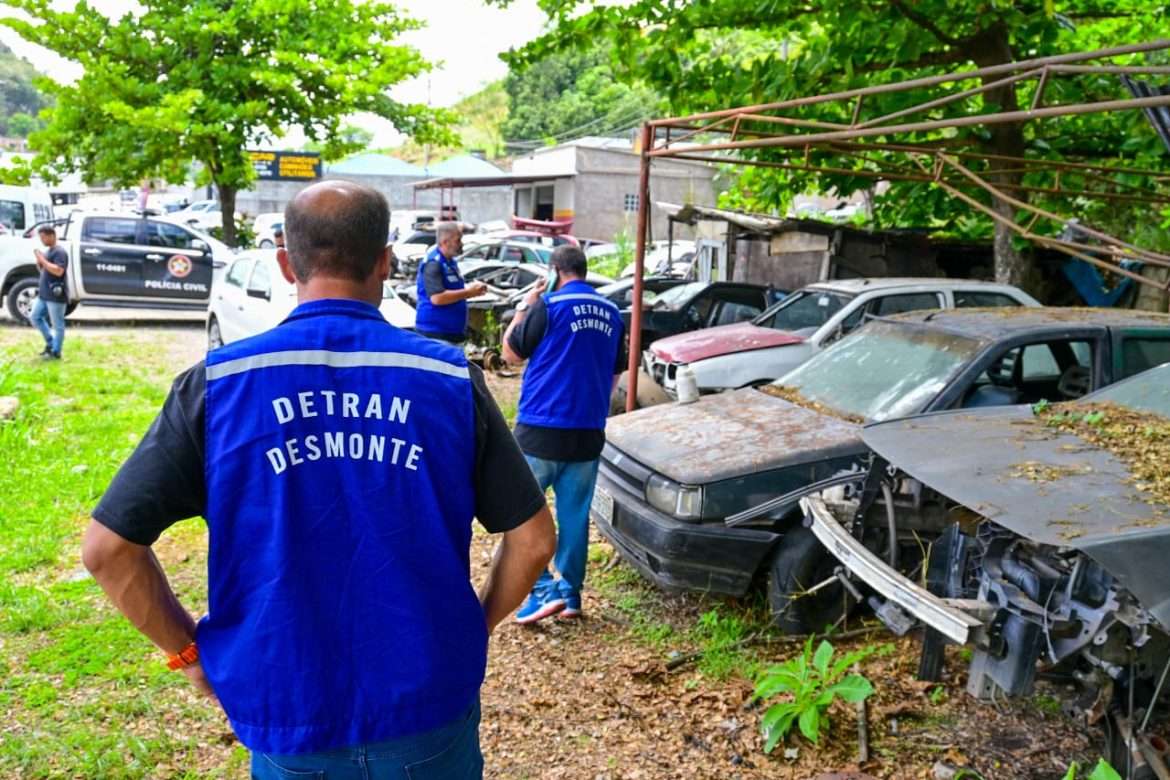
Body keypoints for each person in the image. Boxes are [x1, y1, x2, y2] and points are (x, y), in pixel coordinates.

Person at [81, 180, 556, 778]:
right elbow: (536, 539)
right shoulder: (448, 381)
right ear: (385, 262)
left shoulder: (219, 385)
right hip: (425, 708)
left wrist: (187, 650)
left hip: (289, 711)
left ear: (286, 262)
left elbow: (107, 549)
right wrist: (474, 624)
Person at [501, 245, 625, 623]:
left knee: (521, 511)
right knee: (574, 514)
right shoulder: (612, 313)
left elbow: (510, 353)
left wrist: (526, 303)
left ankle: (540, 591)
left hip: (542, 428)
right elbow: (615, 374)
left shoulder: (549, 306)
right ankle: (569, 595)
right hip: (587, 431)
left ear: (555, 271)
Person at [414, 222, 486, 344]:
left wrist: (472, 290)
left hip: (449, 335)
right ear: (445, 242)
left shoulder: (449, 262)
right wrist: (469, 292)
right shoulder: (433, 263)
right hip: (436, 335)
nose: (461, 244)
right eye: (458, 240)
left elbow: (453, 289)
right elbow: (437, 298)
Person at [31, 225, 69, 360]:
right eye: (40, 237)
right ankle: (51, 343)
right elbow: (44, 270)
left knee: (57, 324)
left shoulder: (60, 252)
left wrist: (42, 260)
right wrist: (39, 262)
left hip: (55, 294)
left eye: (43, 237)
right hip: (44, 294)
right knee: (35, 317)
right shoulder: (49, 251)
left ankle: (56, 351)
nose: (42, 240)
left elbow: (59, 271)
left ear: (52, 235)